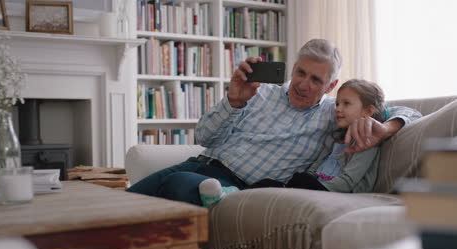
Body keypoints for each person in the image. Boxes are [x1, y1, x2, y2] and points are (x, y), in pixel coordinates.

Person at [127, 39, 422, 207]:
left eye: (315, 79)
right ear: (293, 69)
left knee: (178, 185)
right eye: (301, 72)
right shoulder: (258, 91)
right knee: (126, 203)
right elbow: (203, 135)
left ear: (331, 85)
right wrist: (233, 101)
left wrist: (386, 128)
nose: (304, 84)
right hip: (199, 162)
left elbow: (408, 113)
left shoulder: (335, 112)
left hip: (237, 185)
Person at [225, 79, 387, 195]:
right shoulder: (335, 138)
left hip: (338, 190)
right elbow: (315, 167)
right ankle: (231, 195)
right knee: (268, 183)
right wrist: (308, 179)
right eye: (337, 103)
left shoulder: (368, 142)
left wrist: (315, 187)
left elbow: (349, 181)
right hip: (317, 184)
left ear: (368, 111)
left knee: (299, 181)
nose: (337, 109)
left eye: (346, 104)